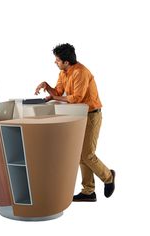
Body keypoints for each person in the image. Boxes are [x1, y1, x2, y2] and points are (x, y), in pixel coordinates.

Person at [35, 43, 115, 202]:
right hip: (78, 115)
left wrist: (54, 98)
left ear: (66, 61)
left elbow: (76, 98)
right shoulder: (64, 73)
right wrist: (46, 86)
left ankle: (108, 177)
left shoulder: (80, 72)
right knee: (80, 154)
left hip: (92, 115)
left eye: (57, 60)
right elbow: (58, 92)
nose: (55, 62)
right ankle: (88, 191)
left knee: (87, 154)